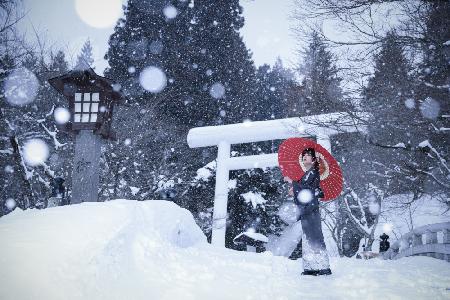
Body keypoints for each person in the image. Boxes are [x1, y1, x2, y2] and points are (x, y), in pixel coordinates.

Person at [286, 147, 331, 276]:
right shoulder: (307, 174)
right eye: (303, 155)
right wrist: (293, 190)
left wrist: (292, 183)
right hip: (307, 209)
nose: (304, 157)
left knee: (315, 236)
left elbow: (308, 190)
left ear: (314, 159)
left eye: (307, 155)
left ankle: (322, 267)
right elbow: (303, 190)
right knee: (307, 237)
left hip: (311, 209)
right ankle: (311, 267)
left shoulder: (314, 172)